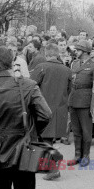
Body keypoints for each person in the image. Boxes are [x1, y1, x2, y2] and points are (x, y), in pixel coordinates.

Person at [0, 47, 52, 189]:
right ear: (11, 64)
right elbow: (46, 115)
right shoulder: (27, 85)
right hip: (24, 151)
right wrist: (32, 131)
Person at [30, 43, 72, 181]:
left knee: (45, 140)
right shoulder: (66, 70)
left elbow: (32, 86)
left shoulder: (41, 67)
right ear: (57, 53)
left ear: (46, 54)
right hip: (60, 110)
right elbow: (69, 90)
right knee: (48, 139)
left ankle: (54, 168)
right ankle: (47, 166)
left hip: (43, 109)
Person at [67, 40, 94, 167]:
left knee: (86, 131)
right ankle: (77, 155)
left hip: (85, 100)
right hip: (73, 99)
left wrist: (93, 104)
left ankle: (86, 156)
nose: (76, 52)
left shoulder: (93, 65)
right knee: (76, 130)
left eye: (78, 50)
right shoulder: (74, 63)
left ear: (85, 52)